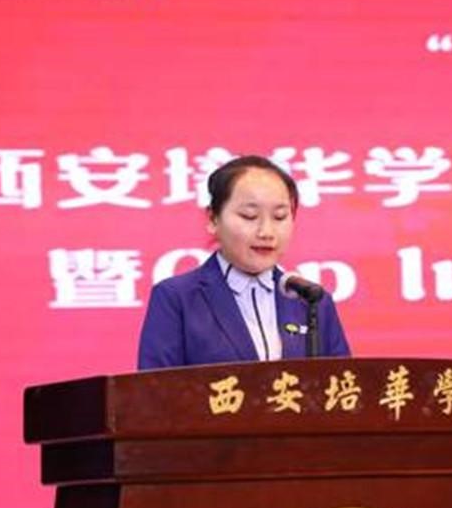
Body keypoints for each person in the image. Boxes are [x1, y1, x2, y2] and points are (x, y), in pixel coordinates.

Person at [137, 156, 351, 369]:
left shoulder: (312, 301)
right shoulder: (177, 298)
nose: (266, 232)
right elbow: (154, 387)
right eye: (249, 216)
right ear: (213, 219)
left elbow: (344, 383)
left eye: (279, 217)